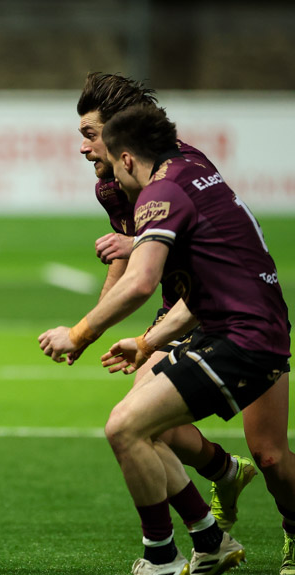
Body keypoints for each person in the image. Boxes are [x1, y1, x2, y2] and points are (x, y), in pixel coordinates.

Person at [39, 105, 291, 575]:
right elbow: (201, 293)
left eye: (104, 152)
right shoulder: (192, 170)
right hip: (233, 327)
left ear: (127, 158)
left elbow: (140, 282)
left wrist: (80, 333)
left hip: (242, 338)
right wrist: (146, 343)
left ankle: (161, 558)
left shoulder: (161, 192)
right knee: (142, 425)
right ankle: (211, 541)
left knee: (124, 427)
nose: (109, 175)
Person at [75, 73, 261, 537]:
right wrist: (93, 325)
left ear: (121, 137)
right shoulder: (111, 186)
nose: (82, 147)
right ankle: (221, 480)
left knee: (272, 455)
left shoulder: (180, 169)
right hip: (182, 306)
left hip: (238, 310)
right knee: (138, 422)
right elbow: (125, 259)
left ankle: (261, 529)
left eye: (90, 134)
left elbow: (187, 240)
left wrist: (81, 332)